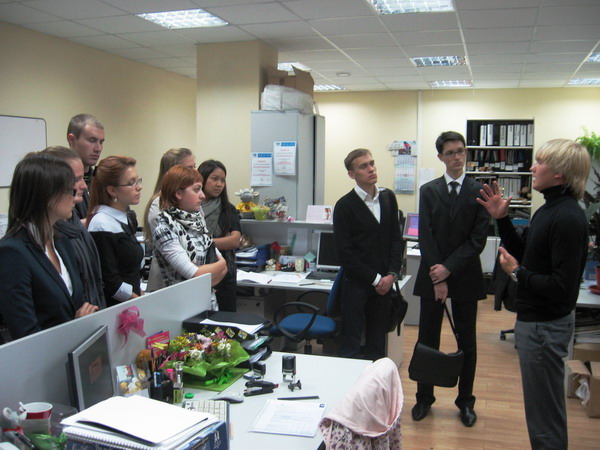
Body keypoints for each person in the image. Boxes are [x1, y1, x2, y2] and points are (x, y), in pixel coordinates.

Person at [477, 139, 590, 449]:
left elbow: (561, 288)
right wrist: (502, 219)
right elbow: (527, 254)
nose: (532, 167)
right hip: (535, 323)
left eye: (540, 162)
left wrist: (517, 273)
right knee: (542, 411)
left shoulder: (567, 217)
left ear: (560, 173)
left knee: (544, 417)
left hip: (544, 326)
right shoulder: (549, 210)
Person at [411, 131, 488, 427]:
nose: (457, 157)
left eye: (461, 151)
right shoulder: (429, 190)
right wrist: (438, 275)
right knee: (427, 338)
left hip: (465, 274)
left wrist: (448, 269)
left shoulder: (479, 190)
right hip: (432, 274)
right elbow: (426, 235)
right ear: (440, 157)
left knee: (467, 341)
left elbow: (477, 239)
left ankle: (465, 401)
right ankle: (424, 398)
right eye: (451, 152)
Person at [0, 153, 98, 340]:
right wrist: (75, 327)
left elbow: (77, 303)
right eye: (70, 191)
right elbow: (25, 335)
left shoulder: (62, 242)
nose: (76, 197)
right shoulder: (12, 252)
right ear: (47, 196)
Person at [333, 148, 403, 361]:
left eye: (372, 163)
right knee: (351, 344)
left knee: (377, 344)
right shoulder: (344, 206)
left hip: (384, 286)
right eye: (363, 166)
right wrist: (376, 279)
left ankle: (376, 382)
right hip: (357, 285)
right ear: (352, 174)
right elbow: (345, 254)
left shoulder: (388, 198)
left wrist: (392, 274)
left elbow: (396, 239)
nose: (371, 169)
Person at [152, 166, 227, 308]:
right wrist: (222, 263)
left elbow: (222, 272)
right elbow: (196, 274)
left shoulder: (197, 221)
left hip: (208, 303)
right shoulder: (165, 229)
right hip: (182, 308)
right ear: (178, 193)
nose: (202, 195)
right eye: (196, 189)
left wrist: (210, 274)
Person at [41, 146, 106, 309]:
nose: (84, 186)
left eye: (83, 178)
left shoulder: (75, 224)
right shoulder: (54, 236)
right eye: (76, 179)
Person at [87, 156, 144, 307]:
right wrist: (138, 300)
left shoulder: (125, 218)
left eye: (138, 181)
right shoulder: (101, 224)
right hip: (116, 308)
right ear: (112, 190)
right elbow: (110, 281)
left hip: (132, 302)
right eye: (131, 183)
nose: (139, 187)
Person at [144, 148, 196, 292]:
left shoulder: (193, 200)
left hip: (193, 278)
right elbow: (179, 248)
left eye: (195, 167)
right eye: (189, 168)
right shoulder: (159, 204)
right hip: (168, 283)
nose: (195, 173)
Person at [198, 160, 241, 312]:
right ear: (202, 179)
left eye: (222, 180)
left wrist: (202, 242)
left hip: (224, 273)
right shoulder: (191, 208)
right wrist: (222, 240)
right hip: (198, 272)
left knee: (225, 320)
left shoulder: (227, 209)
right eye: (214, 179)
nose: (219, 184)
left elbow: (234, 241)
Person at [66, 114, 105, 220]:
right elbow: (64, 224)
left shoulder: (101, 180)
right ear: (72, 139)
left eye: (101, 142)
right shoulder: (59, 181)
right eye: (92, 140)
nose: (98, 148)